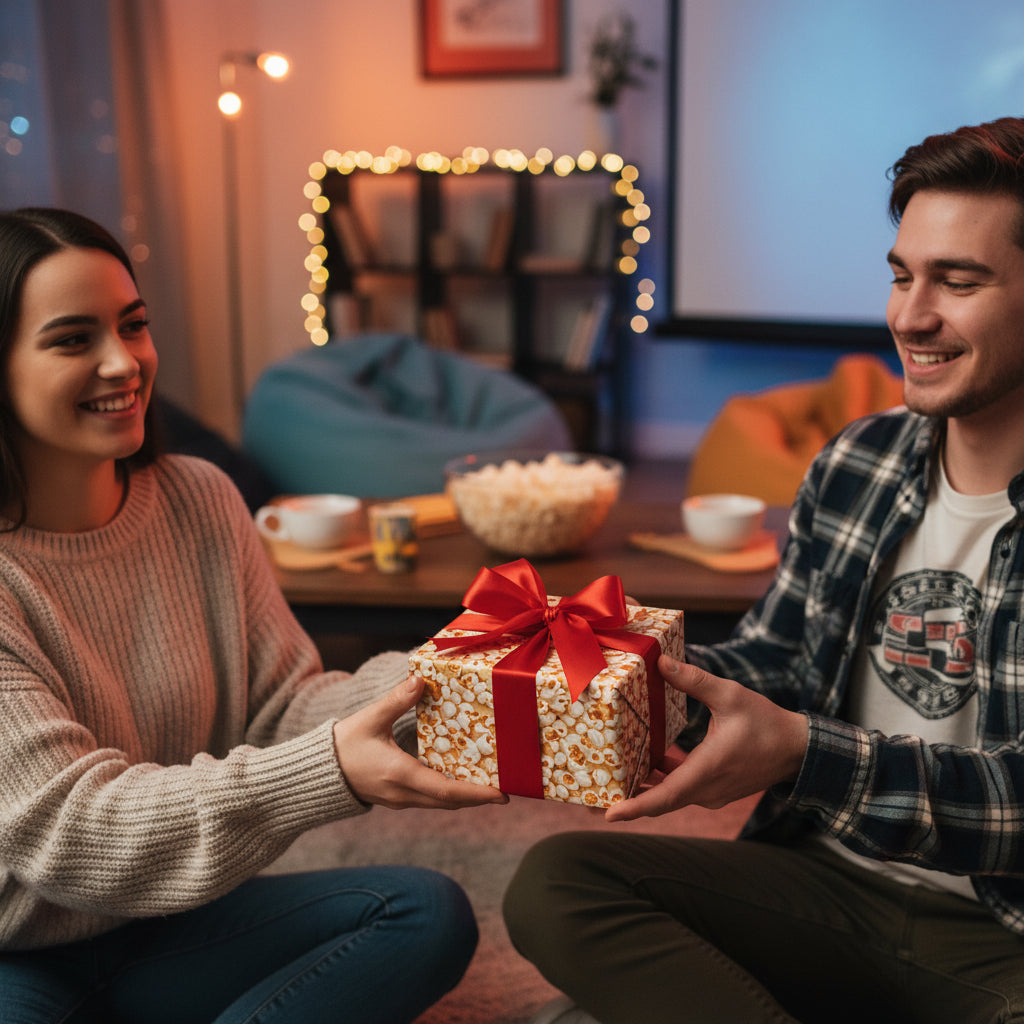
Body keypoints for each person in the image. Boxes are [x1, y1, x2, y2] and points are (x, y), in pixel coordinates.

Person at [504, 116, 1024, 1024]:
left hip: (1002, 936)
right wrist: (628, 672)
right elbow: (777, 661)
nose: (911, 315)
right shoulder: (857, 460)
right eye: (903, 276)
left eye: (960, 282)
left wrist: (802, 752)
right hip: (823, 883)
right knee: (558, 882)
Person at [0, 206, 507, 1024]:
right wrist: (331, 771)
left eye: (133, 326)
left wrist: (448, 674)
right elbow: (71, 830)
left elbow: (281, 710)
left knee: (423, 913)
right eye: (71, 339)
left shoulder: (200, 498)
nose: (122, 362)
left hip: (169, 926)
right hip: (12, 953)